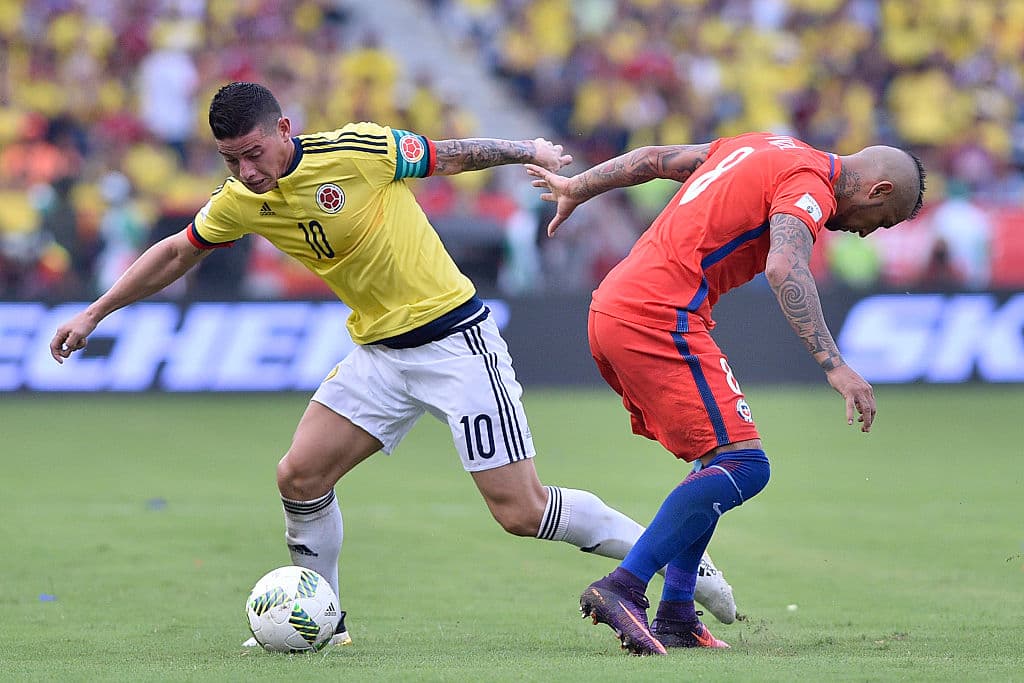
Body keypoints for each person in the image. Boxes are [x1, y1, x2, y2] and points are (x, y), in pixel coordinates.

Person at [48, 81, 740, 647]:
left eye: (253, 153)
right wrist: (95, 312)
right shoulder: (243, 200)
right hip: (379, 353)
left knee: (521, 509)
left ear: (284, 127)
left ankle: (682, 557)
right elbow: (175, 252)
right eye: (231, 161)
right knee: (300, 472)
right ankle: (324, 621)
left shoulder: (359, 150)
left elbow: (450, 154)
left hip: (455, 343)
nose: (246, 171)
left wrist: (527, 149)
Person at [527, 132, 925, 655]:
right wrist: (836, 365)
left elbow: (653, 160)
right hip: (657, 315)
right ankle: (623, 587)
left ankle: (677, 612)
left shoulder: (764, 145)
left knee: (717, 461)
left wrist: (579, 185)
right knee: (746, 466)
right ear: (878, 189)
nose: (870, 234)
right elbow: (784, 265)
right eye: (885, 221)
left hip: (616, 306)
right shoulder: (810, 186)